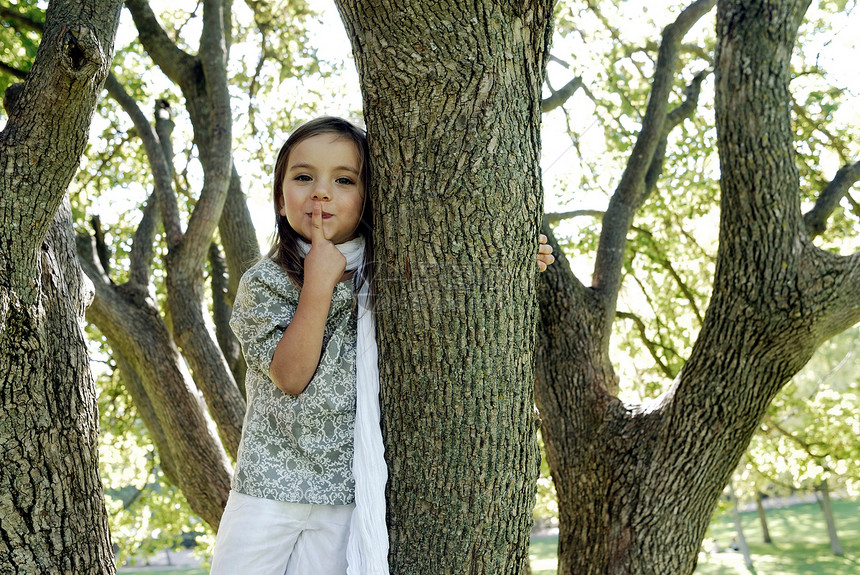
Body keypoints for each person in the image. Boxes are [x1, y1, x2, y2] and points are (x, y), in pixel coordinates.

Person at [210, 116, 555, 575]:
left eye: (344, 180)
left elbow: (454, 291)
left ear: (370, 198)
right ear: (280, 196)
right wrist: (318, 285)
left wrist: (508, 258)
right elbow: (290, 376)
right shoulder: (266, 282)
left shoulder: (385, 275)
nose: (321, 192)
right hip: (269, 488)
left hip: (345, 493)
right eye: (304, 177)